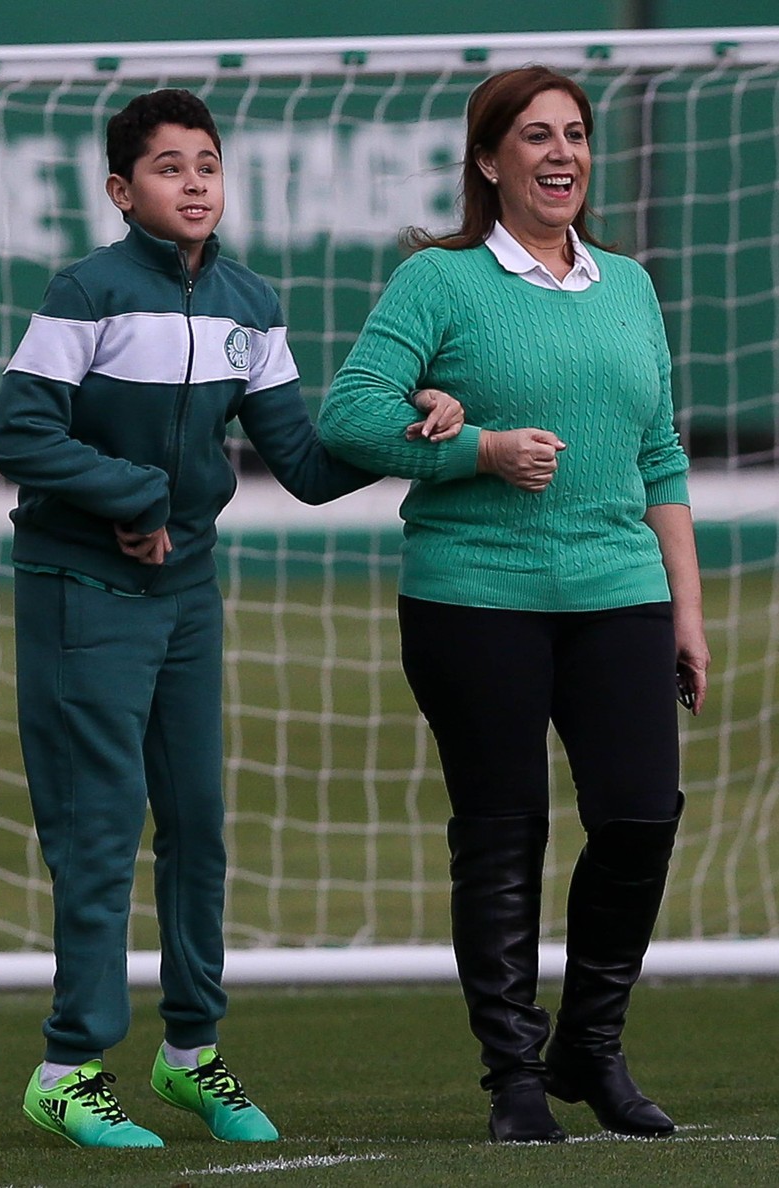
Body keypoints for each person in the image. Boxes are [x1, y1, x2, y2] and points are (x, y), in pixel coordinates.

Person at [0, 87, 465, 1150]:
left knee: (197, 827)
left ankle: (189, 1053)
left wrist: (415, 424)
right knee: (101, 834)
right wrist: (134, 496)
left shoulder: (252, 302)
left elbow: (301, 462)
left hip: (186, 602)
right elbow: (19, 433)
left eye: (206, 163)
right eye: (168, 166)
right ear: (121, 190)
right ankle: (68, 1069)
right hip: (81, 597)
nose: (194, 182)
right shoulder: (86, 293)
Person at [317, 65, 710, 1145]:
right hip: (472, 598)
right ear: (489, 162)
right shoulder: (437, 284)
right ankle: (515, 1081)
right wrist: (478, 452)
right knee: (503, 835)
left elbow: (662, 457)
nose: (560, 154)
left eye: (574, 135)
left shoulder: (629, 285)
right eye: (533, 137)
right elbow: (347, 418)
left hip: (619, 591)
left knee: (640, 816)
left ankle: (589, 1047)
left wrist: (686, 608)